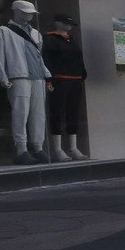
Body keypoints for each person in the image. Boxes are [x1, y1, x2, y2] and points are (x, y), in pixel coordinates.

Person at [0, 0, 51, 164]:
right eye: (25, 12)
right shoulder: (3, 31)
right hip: (18, 77)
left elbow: (39, 57)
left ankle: (38, 147)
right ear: (16, 11)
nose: (29, 15)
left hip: (37, 77)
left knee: (38, 114)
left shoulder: (36, 34)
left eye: (31, 13)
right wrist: (2, 77)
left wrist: (46, 74)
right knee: (20, 113)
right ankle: (21, 149)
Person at [42, 13, 88, 160]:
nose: (69, 26)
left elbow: (79, 58)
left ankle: (73, 147)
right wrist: (49, 78)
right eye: (66, 23)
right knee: (57, 112)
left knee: (73, 113)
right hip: (59, 80)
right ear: (57, 23)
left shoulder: (71, 40)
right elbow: (46, 60)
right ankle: (57, 148)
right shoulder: (49, 39)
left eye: (70, 24)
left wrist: (82, 73)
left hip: (75, 80)